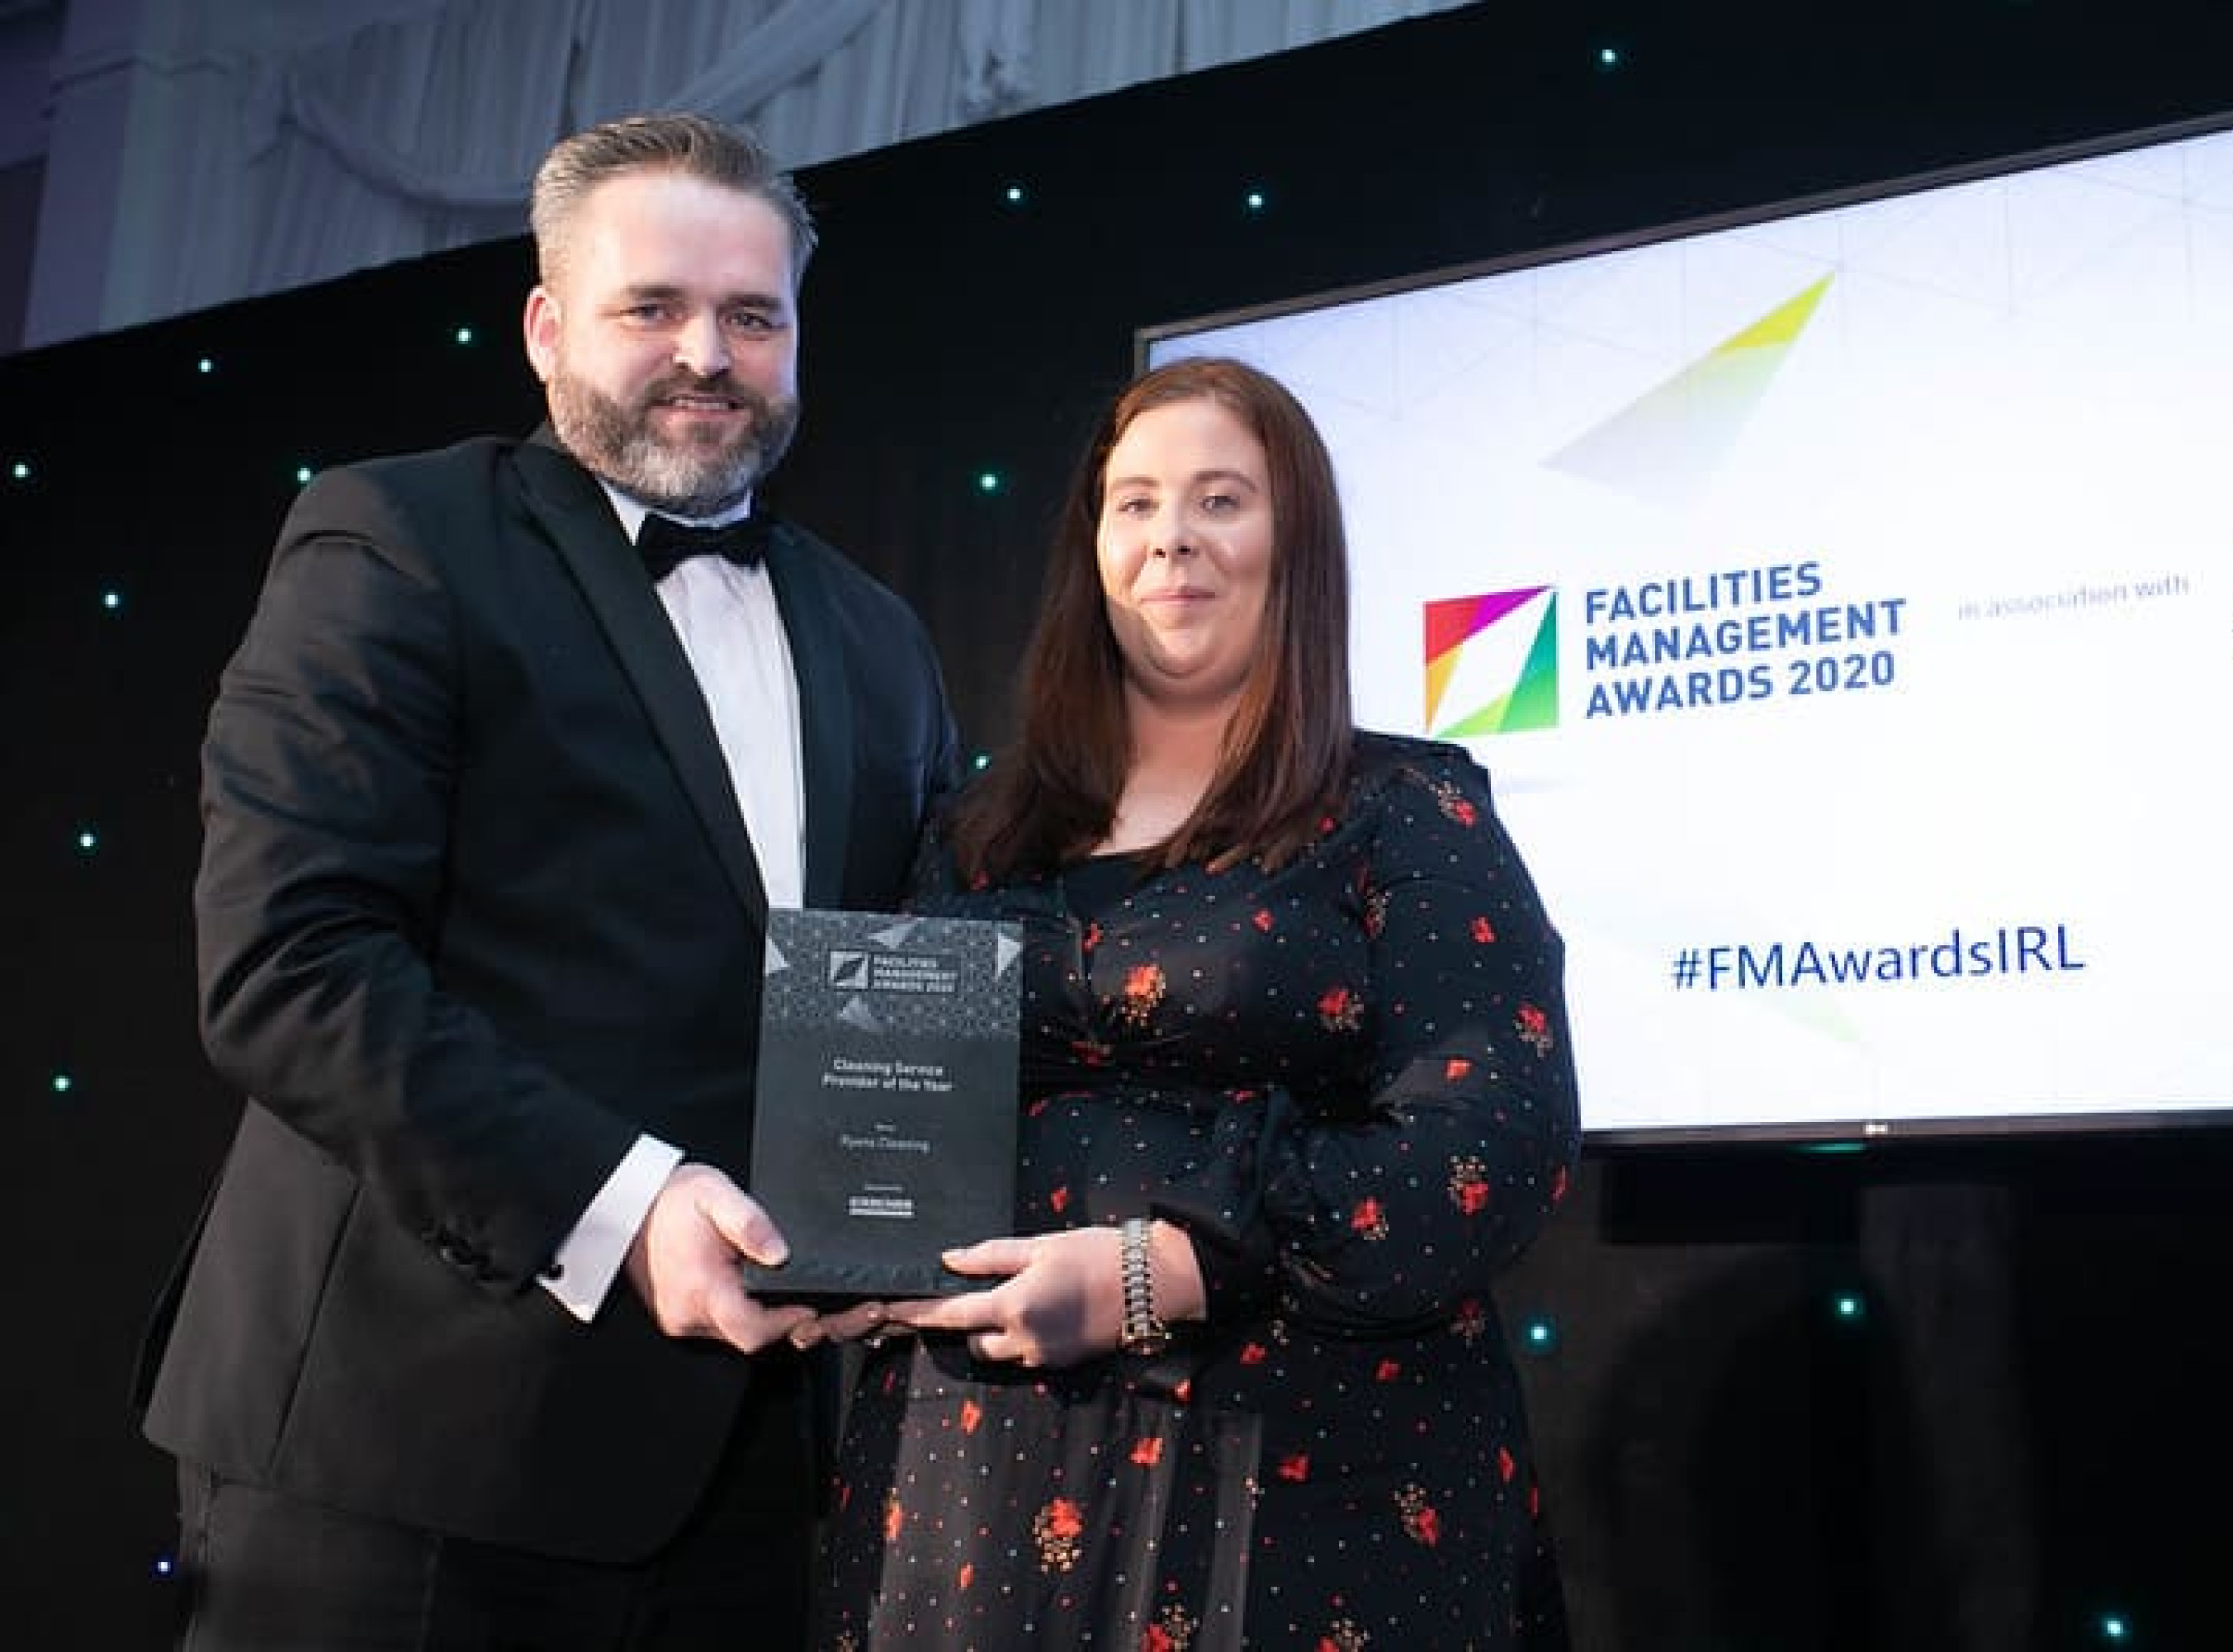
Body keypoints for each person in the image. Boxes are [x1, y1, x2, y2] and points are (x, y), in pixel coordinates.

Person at [135, 112, 960, 1650]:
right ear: (545, 327)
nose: (706, 353)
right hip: (404, 1446)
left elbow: (904, 978)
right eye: (654, 306)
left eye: (753, 315)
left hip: (757, 1468)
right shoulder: (396, 537)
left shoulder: (879, 635)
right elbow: (290, 966)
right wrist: (627, 1205)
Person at [807, 357, 1582, 1648]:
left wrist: (1157, 1270)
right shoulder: (970, 838)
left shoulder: (1408, 814)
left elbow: (1491, 1147)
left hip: (1307, 1481)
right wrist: (830, 1238)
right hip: (968, 1488)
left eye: (1222, 499)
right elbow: (877, 1125)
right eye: (1138, 503)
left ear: (1297, 544)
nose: (1173, 537)